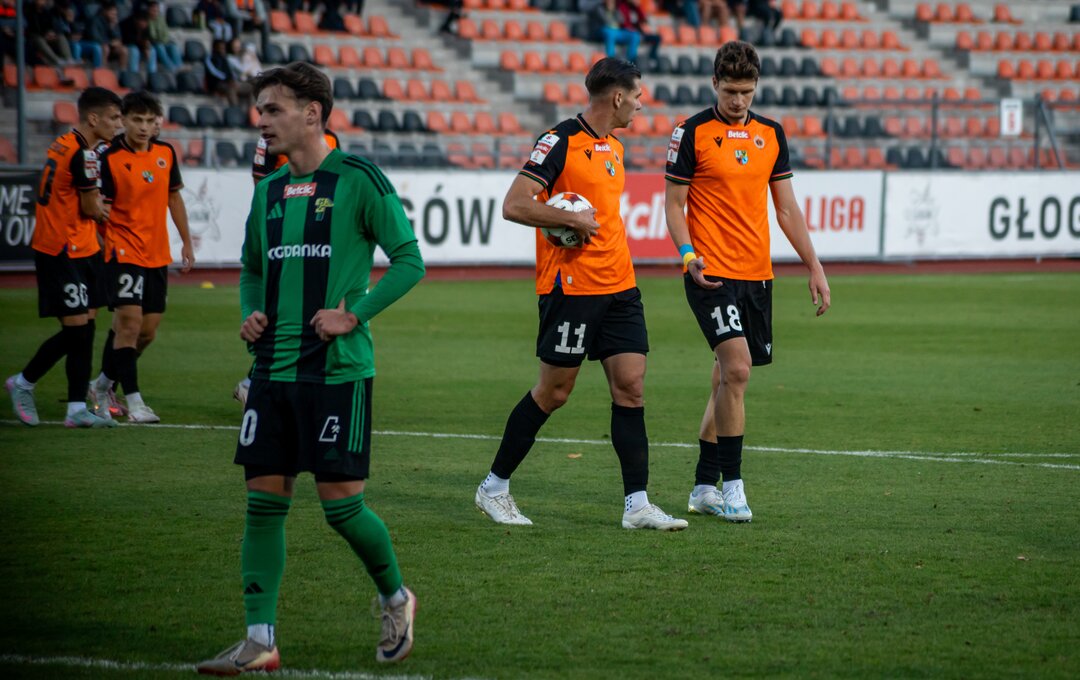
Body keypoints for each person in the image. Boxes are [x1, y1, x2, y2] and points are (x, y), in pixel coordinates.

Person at [196, 61, 425, 674]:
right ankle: (259, 640)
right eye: (261, 110)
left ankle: (395, 598)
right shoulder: (268, 190)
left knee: (341, 508)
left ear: (312, 113)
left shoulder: (358, 178)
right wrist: (249, 312)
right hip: (271, 371)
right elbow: (251, 268)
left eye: (272, 109)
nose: (261, 121)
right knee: (263, 506)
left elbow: (408, 260)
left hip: (337, 371)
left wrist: (354, 314)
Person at [473, 57, 687, 532]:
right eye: (637, 96)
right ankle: (493, 487)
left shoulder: (615, 147)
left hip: (620, 285)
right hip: (571, 287)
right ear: (618, 97)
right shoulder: (559, 142)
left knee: (631, 387)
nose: (640, 104)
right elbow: (514, 204)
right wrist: (569, 219)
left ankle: (637, 504)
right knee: (554, 391)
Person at [664, 41, 830, 523]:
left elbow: (786, 208)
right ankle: (733, 487)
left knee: (725, 378)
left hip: (756, 275)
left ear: (756, 87)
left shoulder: (771, 134)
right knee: (737, 370)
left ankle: (702, 487)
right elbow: (674, 205)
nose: (738, 101)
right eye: (730, 91)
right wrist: (688, 255)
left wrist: (814, 265)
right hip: (709, 273)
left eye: (747, 92)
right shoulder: (691, 132)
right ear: (714, 83)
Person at [5, 87, 123, 429]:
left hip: (83, 247)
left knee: (86, 327)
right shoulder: (84, 155)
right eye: (114, 117)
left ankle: (75, 409)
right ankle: (23, 382)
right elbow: (90, 208)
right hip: (61, 249)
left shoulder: (64, 143)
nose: (118, 124)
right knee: (76, 332)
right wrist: (105, 210)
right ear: (93, 118)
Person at [90, 91, 195, 423]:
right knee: (129, 324)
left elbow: (173, 199)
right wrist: (104, 241)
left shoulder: (165, 153)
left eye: (150, 121)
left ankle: (102, 384)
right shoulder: (109, 157)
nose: (144, 127)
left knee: (147, 331)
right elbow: (98, 208)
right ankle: (135, 404)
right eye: (137, 120)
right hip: (123, 251)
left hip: (156, 252)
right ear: (124, 120)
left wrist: (186, 242)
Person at [233, 125, 340, 407]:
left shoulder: (331, 139)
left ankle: (259, 382)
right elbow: (260, 179)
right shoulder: (270, 138)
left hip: (316, 232)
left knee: (314, 311)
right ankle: (256, 380)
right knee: (283, 313)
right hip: (283, 229)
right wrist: (277, 217)